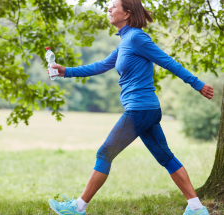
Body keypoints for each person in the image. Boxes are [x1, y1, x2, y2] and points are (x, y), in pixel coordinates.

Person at [47, 0, 214, 214]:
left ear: (126, 13)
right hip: (146, 110)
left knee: (104, 153)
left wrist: (197, 84)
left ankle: (78, 207)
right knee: (166, 157)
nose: (109, 9)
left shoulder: (137, 37)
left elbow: (167, 61)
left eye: (113, 6)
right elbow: (101, 65)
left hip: (139, 110)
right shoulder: (125, 40)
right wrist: (66, 71)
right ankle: (196, 208)